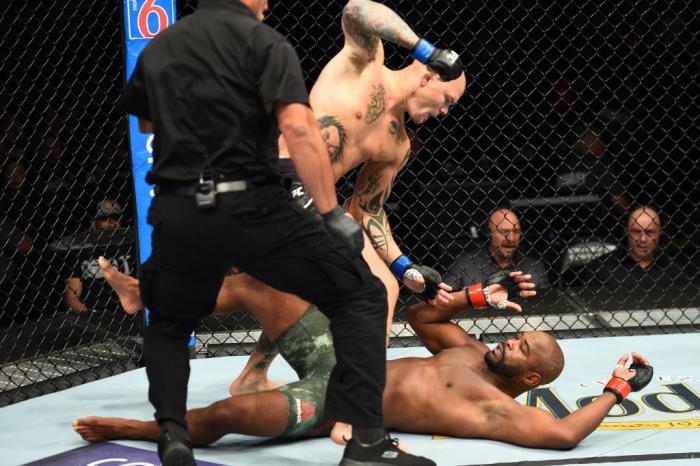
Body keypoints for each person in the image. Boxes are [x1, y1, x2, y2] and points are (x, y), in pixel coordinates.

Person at [119, 1, 463, 464]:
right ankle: (357, 424)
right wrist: (424, 45)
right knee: (367, 289)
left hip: (220, 199)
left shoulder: (398, 145)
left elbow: (368, 212)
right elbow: (358, 9)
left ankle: (196, 406)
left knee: (315, 285)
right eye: (447, 100)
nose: (444, 113)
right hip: (277, 179)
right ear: (428, 75)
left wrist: (404, 268)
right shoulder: (366, 64)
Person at [73, 270, 654, 451]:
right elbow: (425, 319)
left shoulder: (491, 410)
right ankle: (144, 296)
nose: (508, 343)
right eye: (517, 335)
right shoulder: (471, 350)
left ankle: (135, 430)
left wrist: (615, 388)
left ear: (529, 378)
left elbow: (562, 436)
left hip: (334, 402)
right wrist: (476, 297)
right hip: (343, 356)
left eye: (521, 348)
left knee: (229, 415)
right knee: (254, 286)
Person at [579, 205, 689, 289]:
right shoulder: (602, 269)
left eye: (649, 232)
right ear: (627, 232)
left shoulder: (673, 270)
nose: (643, 239)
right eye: (636, 232)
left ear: (659, 234)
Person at [444, 208, 550, 291]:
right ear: (489, 232)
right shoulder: (464, 264)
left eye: (516, 231)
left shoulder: (535, 267)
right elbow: (446, 296)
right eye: (504, 232)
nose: (511, 238)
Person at [64, 200, 132, 313]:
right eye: (105, 219)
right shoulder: (80, 252)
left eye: (115, 218)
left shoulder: (131, 246)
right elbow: (71, 299)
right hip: (96, 316)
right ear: (93, 223)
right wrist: (93, 319)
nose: (111, 223)